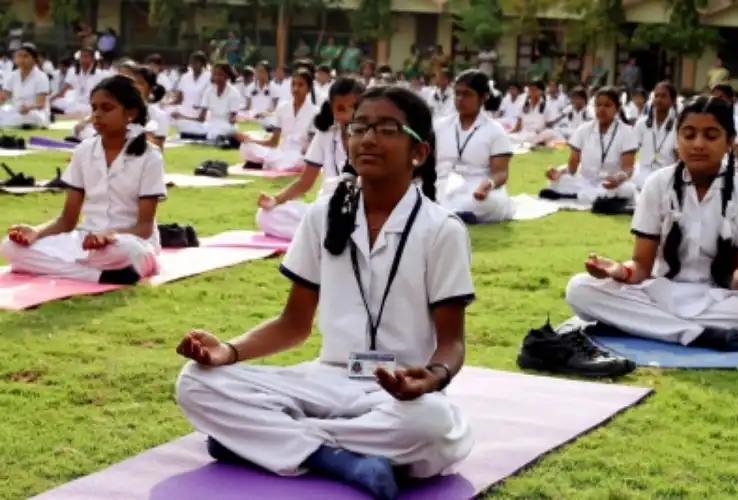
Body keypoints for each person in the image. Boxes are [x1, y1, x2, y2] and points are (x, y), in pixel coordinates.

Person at [175, 85, 473, 500]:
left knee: (437, 427)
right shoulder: (322, 214)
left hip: (396, 393)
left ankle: (260, 442)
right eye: (359, 127)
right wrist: (228, 351)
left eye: (387, 129)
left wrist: (433, 377)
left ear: (418, 153)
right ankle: (335, 458)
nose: (368, 138)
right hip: (326, 380)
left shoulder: (442, 229)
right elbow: (293, 325)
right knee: (195, 382)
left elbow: (452, 342)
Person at [566, 96, 738, 350]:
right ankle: (694, 334)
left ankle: (647, 326)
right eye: (688, 134)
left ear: (729, 142)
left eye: (710, 136)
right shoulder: (658, 184)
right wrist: (620, 271)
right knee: (579, 289)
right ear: (678, 139)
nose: (698, 144)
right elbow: (642, 265)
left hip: (721, 299)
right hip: (661, 293)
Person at [1, 75, 164, 285]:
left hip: (129, 242)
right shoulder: (83, 151)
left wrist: (108, 236)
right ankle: (97, 276)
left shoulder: (150, 156)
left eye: (107, 108)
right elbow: (67, 220)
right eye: (94, 108)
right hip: (86, 239)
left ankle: (87, 269)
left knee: (121, 251)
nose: (97, 115)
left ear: (130, 114)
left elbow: (144, 228)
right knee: (10, 248)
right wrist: (36, 232)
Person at [256, 78, 365, 240]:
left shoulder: (373, 136)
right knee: (265, 215)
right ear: (332, 110)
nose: (349, 115)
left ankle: (325, 236)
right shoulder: (326, 134)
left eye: (355, 108)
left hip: (359, 210)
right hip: (324, 209)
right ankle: (327, 236)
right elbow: (305, 182)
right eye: (341, 109)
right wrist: (275, 200)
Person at [435, 70, 515, 224]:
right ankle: (454, 213)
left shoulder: (495, 130)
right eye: (457, 93)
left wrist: (489, 184)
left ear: (483, 97)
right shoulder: (440, 125)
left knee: (492, 202)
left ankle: (448, 213)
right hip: (443, 182)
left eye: (467, 94)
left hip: (477, 188)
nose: (460, 99)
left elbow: (501, 172)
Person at [542, 87, 638, 205]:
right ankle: (597, 199)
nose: (602, 109)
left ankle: (572, 196)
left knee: (627, 189)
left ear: (617, 109)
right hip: (584, 182)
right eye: (598, 105)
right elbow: (572, 168)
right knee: (558, 181)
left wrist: (618, 179)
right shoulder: (584, 129)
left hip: (610, 184)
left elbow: (628, 169)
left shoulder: (626, 131)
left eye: (607, 105)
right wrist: (558, 172)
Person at [238, 69, 317, 171]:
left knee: (293, 162)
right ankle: (268, 163)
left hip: (299, 156)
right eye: (293, 84)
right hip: (280, 152)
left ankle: (263, 163)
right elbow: (274, 142)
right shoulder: (283, 107)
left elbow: (312, 146)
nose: (296, 88)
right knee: (246, 146)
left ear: (309, 89)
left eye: (300, 85)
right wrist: (251, 141)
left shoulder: (315, 112)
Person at [632, 81, 678, 190]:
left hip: (667, 173)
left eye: (663, 96)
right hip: (643, 172)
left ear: (673, 100)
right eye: (656, 96)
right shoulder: (642, 123)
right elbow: (631, 150)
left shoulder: (678, 126)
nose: (658, 99)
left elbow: (679, 157)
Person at [118, 63, 169, 150]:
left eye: (141, 83)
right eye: (134, 83)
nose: (136, 87)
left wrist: (141, 134)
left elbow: (159, 147)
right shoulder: (119, 111)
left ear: (151, 89)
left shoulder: (159, 116)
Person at [0, 43, 50, 129]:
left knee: (29, 116)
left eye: (25, 56)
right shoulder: (12, 76)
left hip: (35, 113)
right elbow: (2, 97)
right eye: (19, 56)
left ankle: (5, 123)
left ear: (34, 59)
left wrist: (29, 107)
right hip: (17, 111)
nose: (21, 59)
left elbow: (41, 104)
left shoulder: (41, 76)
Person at [193, 63, 243, 141]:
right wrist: (182, 117)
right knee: (192, 127)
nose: (217, 77)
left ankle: (222, 138)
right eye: (214, 75)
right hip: (211, 124)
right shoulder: (209, 91)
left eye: (220, 75)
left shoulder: (234, 93)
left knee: (220, 131)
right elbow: (201, 117)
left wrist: (233, 119)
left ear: (227, 76)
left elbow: (232, 117)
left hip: (225, 125)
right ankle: (219, 138)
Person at [50, 47, 105, 116]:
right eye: (81, 57)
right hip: (75, 103)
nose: (83, 59)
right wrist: (49, 100)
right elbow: (63, 92)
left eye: (86, 56)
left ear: (92, 59)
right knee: (53, 101)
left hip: (90, 105)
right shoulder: (73, 72)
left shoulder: (99, 74)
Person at [171, 51, 211, 138]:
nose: (193, 65)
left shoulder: (208, 77)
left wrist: (201, 107)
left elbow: (210, 99)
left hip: (201, 112)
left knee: (199, 127)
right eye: (192, 62)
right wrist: (167, 104)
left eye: (196, 62)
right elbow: (179, 99)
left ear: (202, 63)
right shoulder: (185, 77)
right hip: (185, 110)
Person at [508, 80, 561, 147]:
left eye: (535, 90)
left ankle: (533, 143)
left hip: (538, 135)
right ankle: (528, 143)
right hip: (524, 134)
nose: (532, 92)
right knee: (508, 137)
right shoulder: (523, 106)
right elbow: (518, 127)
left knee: (551, 133)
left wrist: (541, 131)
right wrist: (508, 133)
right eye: (530, 90)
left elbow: (549, 125)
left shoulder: (546, 106)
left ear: (541, 91)